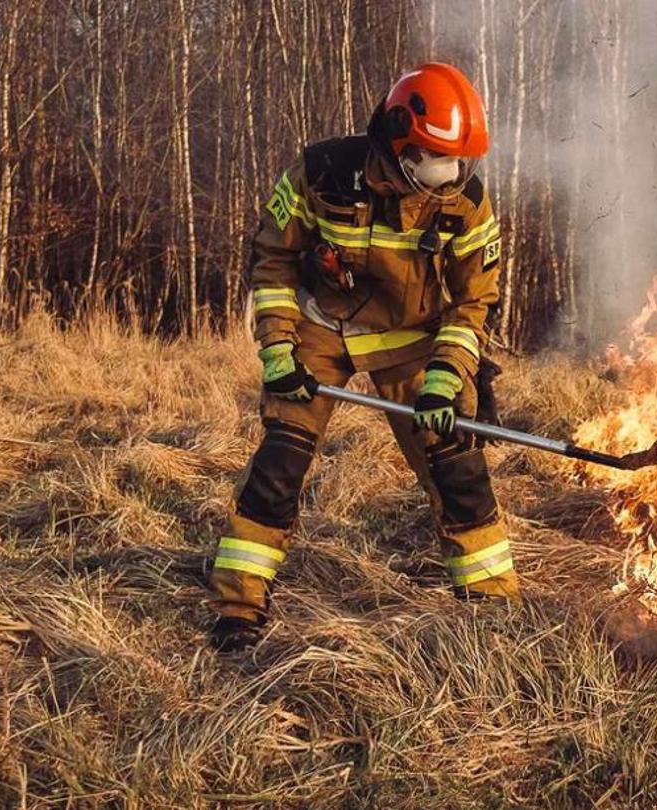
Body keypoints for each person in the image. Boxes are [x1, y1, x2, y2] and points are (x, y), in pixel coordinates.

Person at [207, 63, 517, 652]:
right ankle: (237, 609)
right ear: (400, 141)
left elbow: (475, 300)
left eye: (459, 163)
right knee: (280, 464)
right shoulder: (322, 173)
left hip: (410, 338)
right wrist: (278, 349)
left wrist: (446, 379)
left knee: (458, 467)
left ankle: (492, 609)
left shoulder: (464, 202)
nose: (449, 176)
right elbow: (271, 260)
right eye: (436, 159)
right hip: (321, 332)